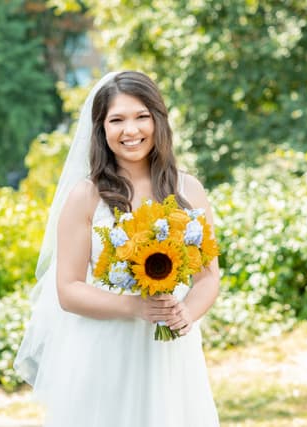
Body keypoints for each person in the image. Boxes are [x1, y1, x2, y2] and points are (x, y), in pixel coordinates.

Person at [15, 71, 220, 427]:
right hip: (105, 347)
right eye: (117, 120)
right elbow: (68, 290)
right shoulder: (86, 196)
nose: (131, 130)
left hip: (170, 353)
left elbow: (207, 277)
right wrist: (138, 307)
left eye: (141, 116)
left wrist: (185, 313)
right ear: (101, 129)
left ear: (158, 120)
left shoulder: (188, 190)